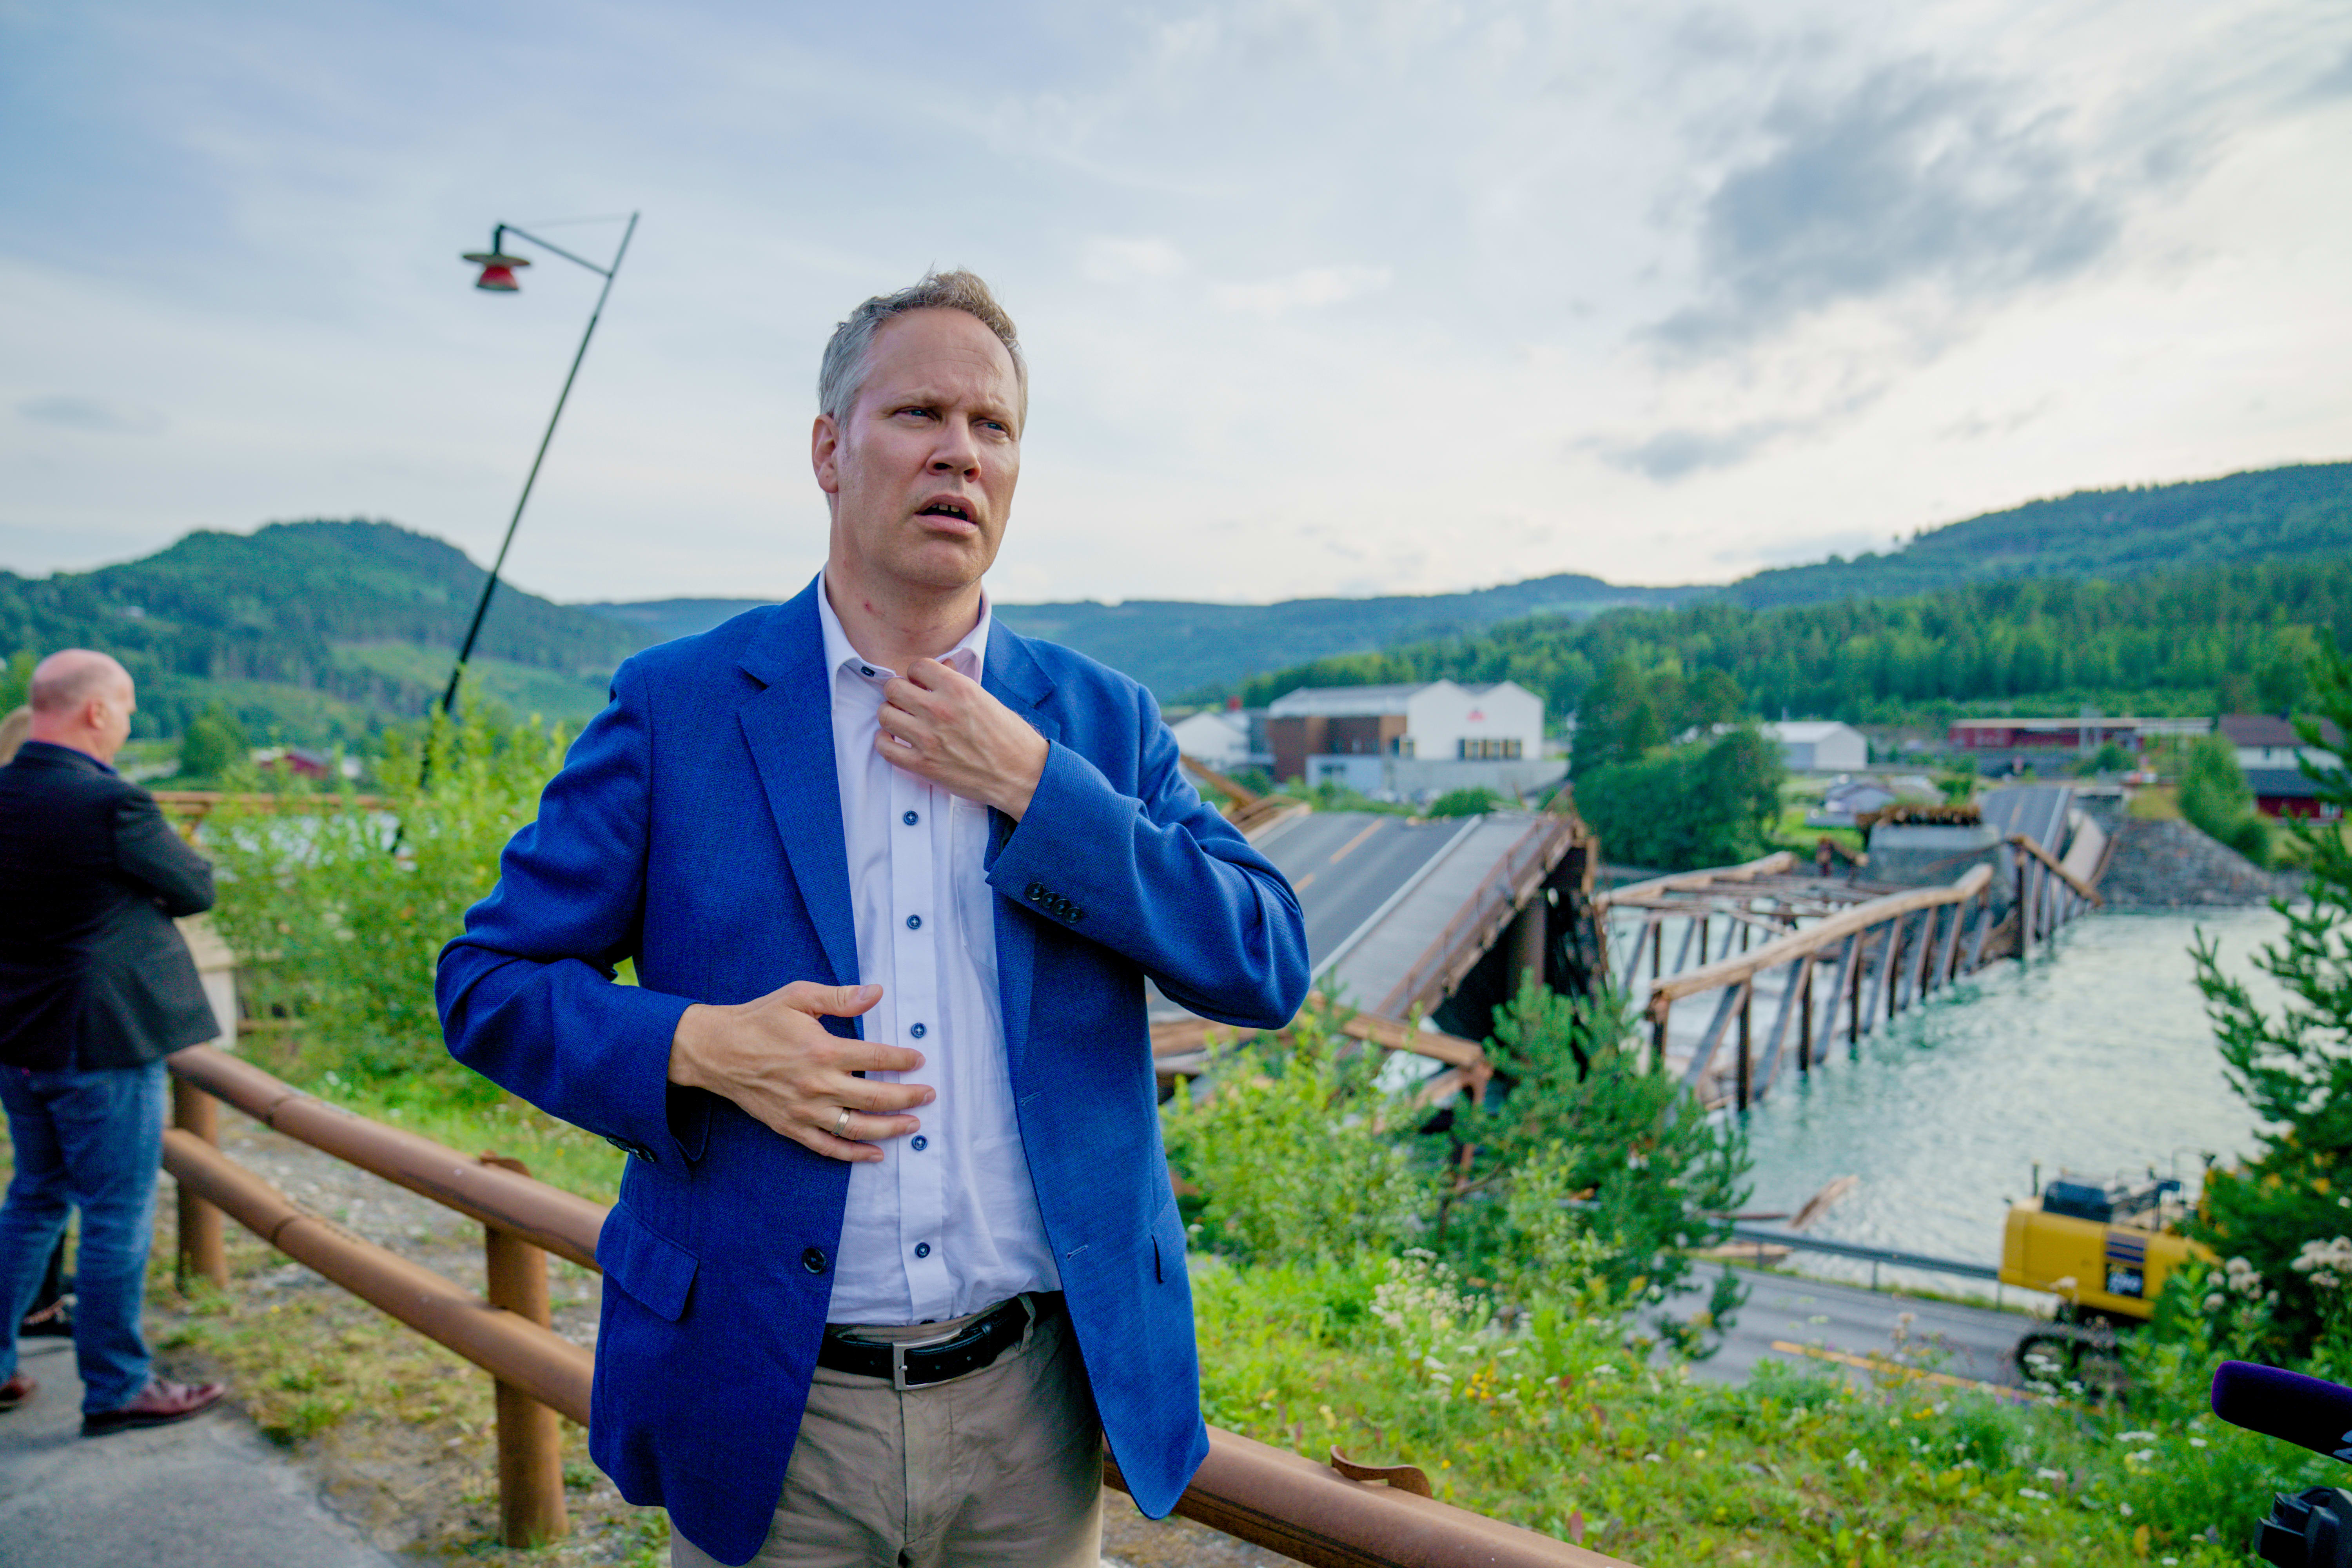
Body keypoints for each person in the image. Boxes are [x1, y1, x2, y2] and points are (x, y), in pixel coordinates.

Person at [439, 271, 1310, 1568]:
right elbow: (488, 980)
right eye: (918, 414)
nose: (961, 452)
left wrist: (1039, 789)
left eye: (993, 425)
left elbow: (1265, 959)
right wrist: (697, 1047)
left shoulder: (1098, 722)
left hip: (1034, 1414)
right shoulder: (679, 706)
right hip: (768, 1402)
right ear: (829, 450)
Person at [0, 652, 228, 1432]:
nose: (128, 722)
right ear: (96, 711)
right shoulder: (109, 802)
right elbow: (195, 886)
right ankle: (117, 1385)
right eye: (126, 708)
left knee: (35, 1196)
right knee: (116, 1213)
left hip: (18, 1040)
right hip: (99, 1042)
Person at [0, 703, 74, 1344]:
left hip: (14, 1032)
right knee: (68, 1193)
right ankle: (40, 1307)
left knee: (36, 1186)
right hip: (61, 1029)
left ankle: (34, 1305)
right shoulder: (70, 812)